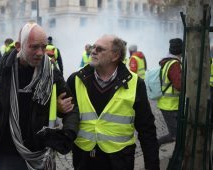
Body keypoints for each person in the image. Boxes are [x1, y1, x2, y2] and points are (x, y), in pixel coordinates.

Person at [0, 22, 79, 170]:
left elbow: (72, 107)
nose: (41, 53)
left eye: (43, 47)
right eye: (34, 47)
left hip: (40, 150)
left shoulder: (52, 72)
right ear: (18, 46)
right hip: (8, 151)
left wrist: (68, 133)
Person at [66, 35, 159, 169]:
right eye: (93, 47)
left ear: (115, 55)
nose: (93, 51)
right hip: (84, 160)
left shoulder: (135, 83)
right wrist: (60, 109)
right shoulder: (76, 79)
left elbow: (147, 130)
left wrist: (152, 166)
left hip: (119, 161)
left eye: (100, 49)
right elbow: (68, 114)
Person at [157, 38, 183, 146]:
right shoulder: (174, 64)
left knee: (178, 134)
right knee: (175, 135)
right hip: (170, 106)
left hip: (170, 105)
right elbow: (179, 85)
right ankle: (153, 145)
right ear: (181, 50)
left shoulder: (168, 62)